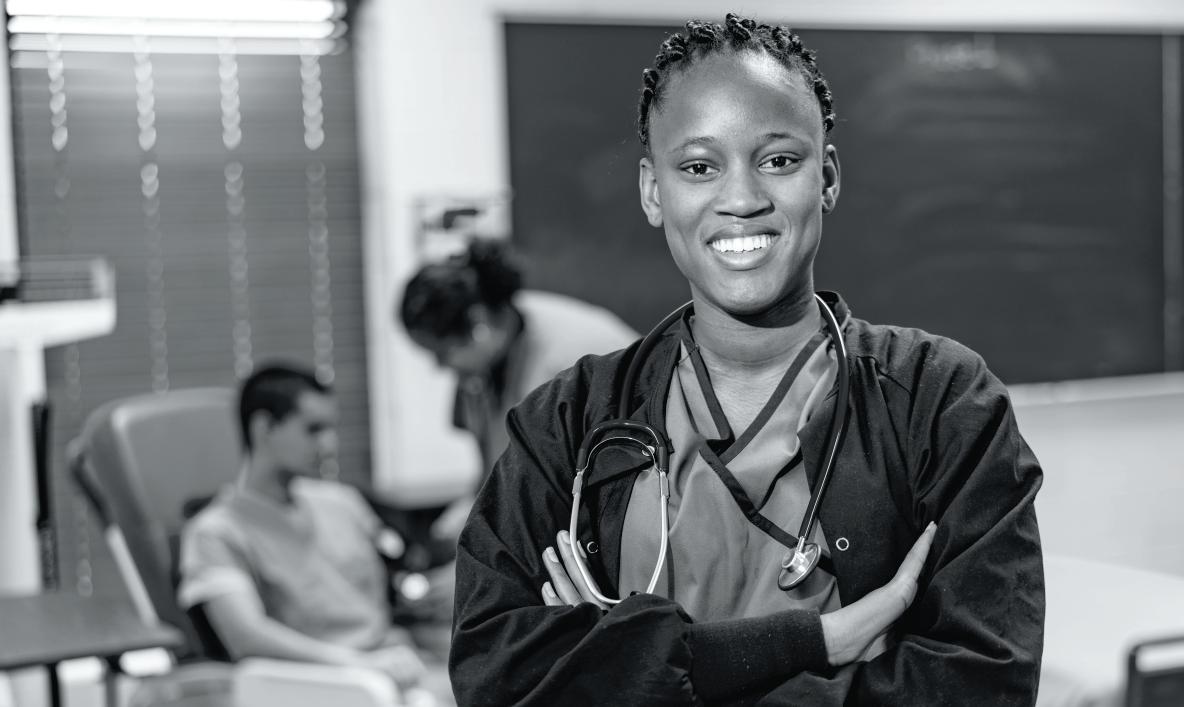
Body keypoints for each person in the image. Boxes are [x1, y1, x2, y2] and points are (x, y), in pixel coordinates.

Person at [449, 14, 1044, 706]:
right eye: (699, 167)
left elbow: (982, 684)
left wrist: (630, 666)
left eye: (779, 161)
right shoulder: (567, 422)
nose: (741, 200)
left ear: (826, 178)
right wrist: (809, 644)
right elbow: (494, 677)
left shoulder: (939, 402)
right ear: (653, 191)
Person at [176, 363, 435, 694]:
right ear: (265, 427)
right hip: (326, 683)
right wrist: (358, 665)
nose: (329, 444)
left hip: (402, 663)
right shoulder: (215, 533)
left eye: (330, 429)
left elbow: (400, 581)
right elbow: (246, 637)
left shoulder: (342, 503)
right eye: (314, 429)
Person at [400, 239, 638, 542]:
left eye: (442, 352)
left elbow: (557, 499)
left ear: (477, 322)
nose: (440, 365)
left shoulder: (570, 361)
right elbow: (495, 471)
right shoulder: (486, 362)